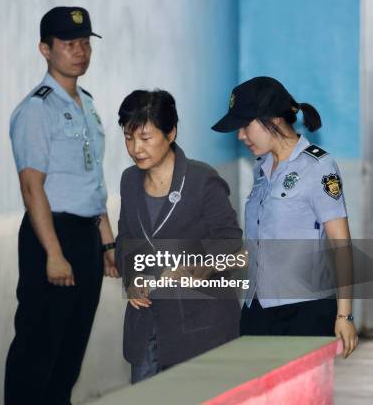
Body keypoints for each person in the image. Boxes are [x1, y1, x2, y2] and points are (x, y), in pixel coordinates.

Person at [4, 6, 119, 405]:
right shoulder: (37, 109)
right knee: (38, 349)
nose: (80, 51)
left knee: (69, 354)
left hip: (85, 234)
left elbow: (92, 179)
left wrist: (106, 242)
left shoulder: (85, 103)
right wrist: (53, 253)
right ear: (45, 49)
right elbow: (32, 186)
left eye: (85, 42)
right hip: (50, 234)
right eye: (69, 44)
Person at [211, 76, 359, 358]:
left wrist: (345, 315)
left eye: (245, 125)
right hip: (257, 308)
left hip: (305, 311)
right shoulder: (261, 168)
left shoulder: (318, 166)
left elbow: (341, 244)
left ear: (273, 120)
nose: (240, 135)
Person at [115, 90, 243, 383]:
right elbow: (126, 240)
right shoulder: (129, 180)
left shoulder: (202, 181)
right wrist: (132, 280)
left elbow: (230, 241)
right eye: (128, 137)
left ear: (171, 133)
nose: (136, 148)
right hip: (147, 328)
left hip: (199, 327)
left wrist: (193, 269)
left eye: (146, 138)